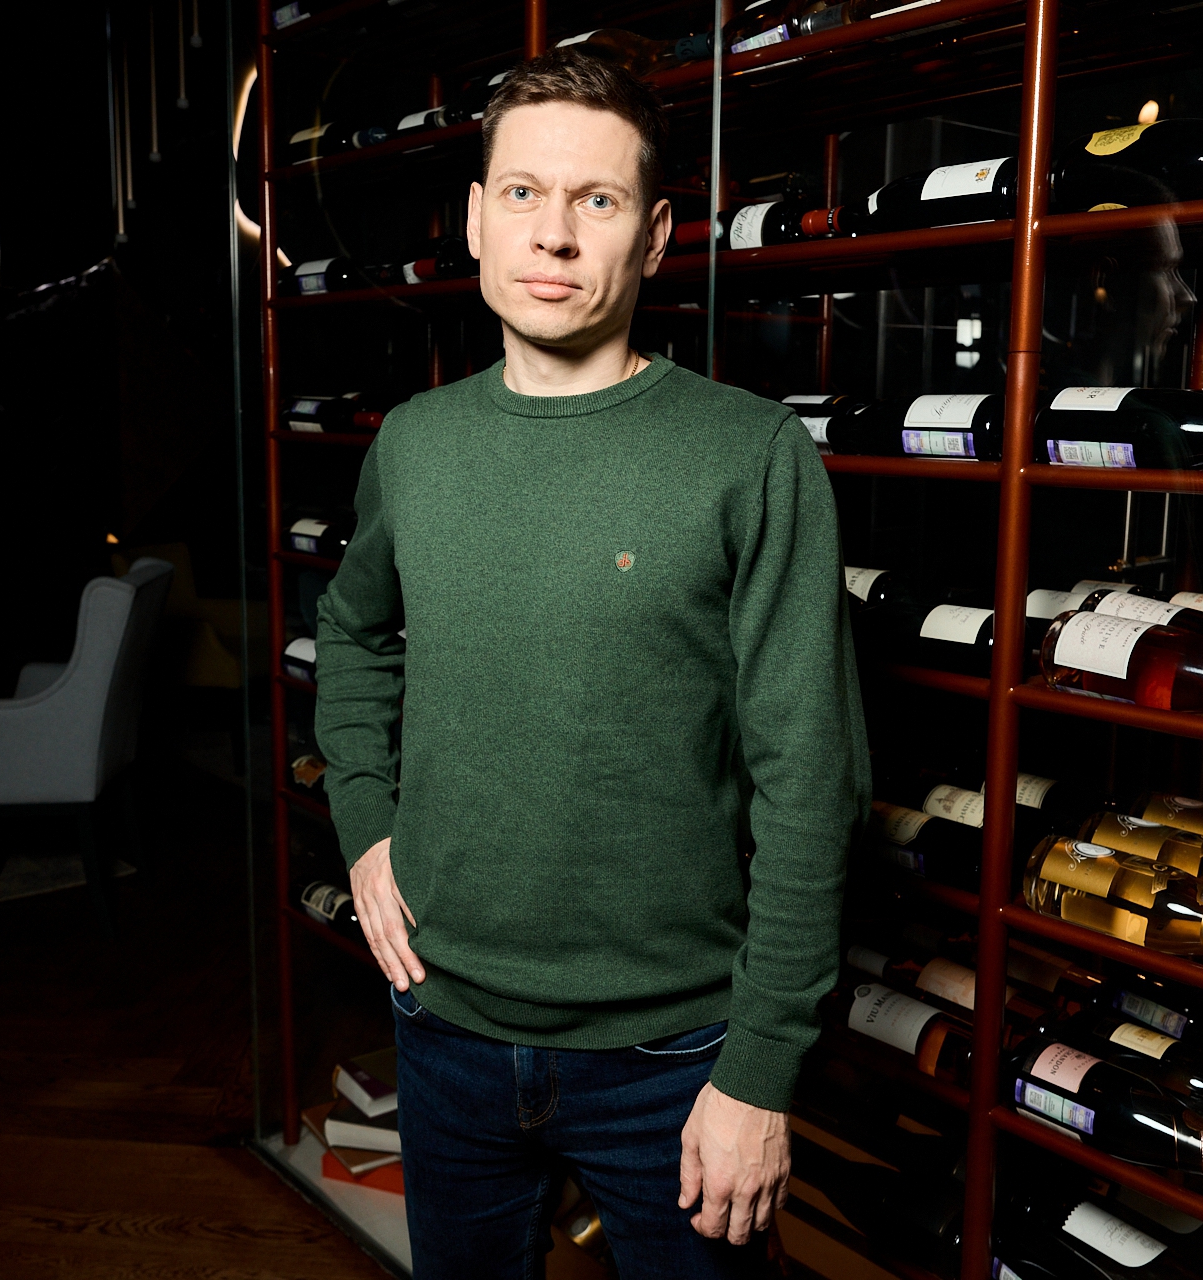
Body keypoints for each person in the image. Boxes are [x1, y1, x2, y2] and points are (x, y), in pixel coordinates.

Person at [312, 48, 870, 1278]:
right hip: (444, 1025)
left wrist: (760, 1070)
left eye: (597, 200)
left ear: (655, 235)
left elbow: (813, 778)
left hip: (674, 1059)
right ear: (476, 219)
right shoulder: (413, 443)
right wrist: (363, 820)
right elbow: (351, 630)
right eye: (522, 193)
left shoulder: (749, 454)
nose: (553, 233)